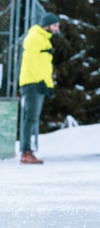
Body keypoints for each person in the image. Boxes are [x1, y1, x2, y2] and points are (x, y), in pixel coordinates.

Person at [18, 12, 60, 164]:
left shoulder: (44, 39)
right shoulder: (35, 38)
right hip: (32, 83)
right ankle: (25, 152)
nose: (56, 28)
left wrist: (48, 85)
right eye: (55, 25)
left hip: (37, 82)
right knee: (30, 118)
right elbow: (31, 63)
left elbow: (44, 66)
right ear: (47, 26)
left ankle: (27, 150)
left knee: (32, 118)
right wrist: (40, 82)